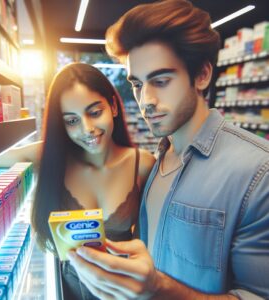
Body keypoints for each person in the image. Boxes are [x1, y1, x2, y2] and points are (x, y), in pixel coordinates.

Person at [66, 1, 269, 299]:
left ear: (201, 75)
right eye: (137, 84)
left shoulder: (257, 171)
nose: (145, 100)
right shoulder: (158, 159)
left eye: (161, 81)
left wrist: (158, 289)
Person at [30, 62, 155, 299]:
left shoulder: (143, 165)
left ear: (114, 107)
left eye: (95, 112)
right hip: (70, 289)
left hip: (124, 290)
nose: (87, 129)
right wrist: (47, 149)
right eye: (72, 121)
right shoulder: (57, 164)